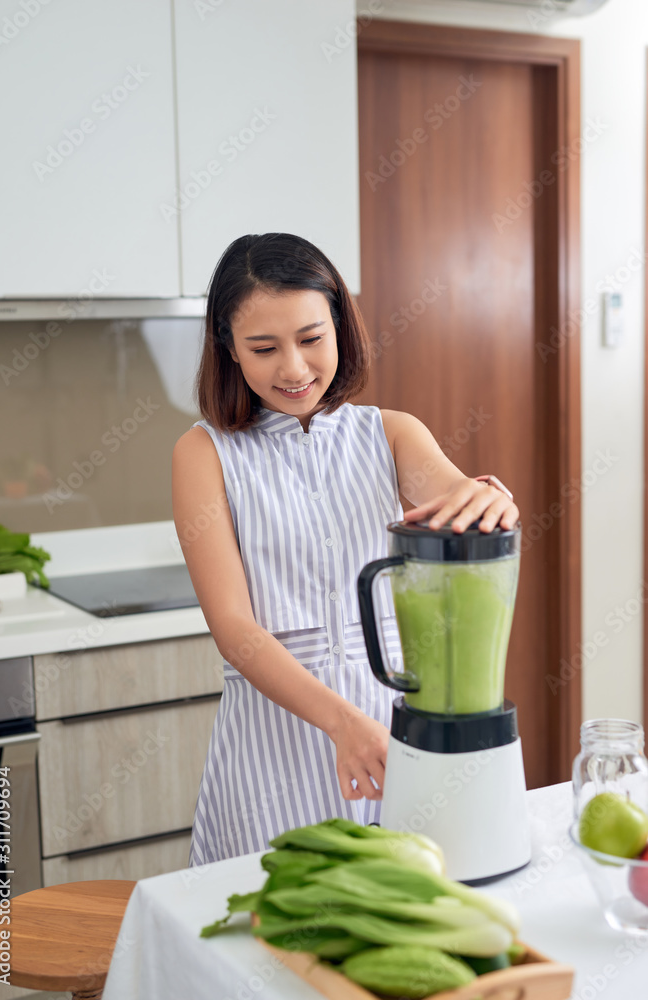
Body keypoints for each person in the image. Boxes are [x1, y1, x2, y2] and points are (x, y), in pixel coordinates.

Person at [172, 233, 519, 866]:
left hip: (391, 732)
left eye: (311, 339)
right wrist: (339, 722)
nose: (295, 369)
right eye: (264, 348)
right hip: (274, 741)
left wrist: (490, 498)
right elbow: (235, 629)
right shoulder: (205, 454)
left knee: (398, 921)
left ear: (340, 326)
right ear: (228, 348)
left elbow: (456, 498)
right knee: (269, 935)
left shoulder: (389, 435)